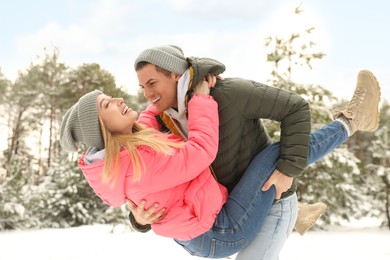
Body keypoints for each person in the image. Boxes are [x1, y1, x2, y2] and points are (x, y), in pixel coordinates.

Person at [59, 71, 381, 258]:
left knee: (263, 166)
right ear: (102, 130)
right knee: (277, 155)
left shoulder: (126, 151)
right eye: (106, 105)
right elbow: (201, 152)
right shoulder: (137, 164)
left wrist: (191, 74)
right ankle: (350, 122)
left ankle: (288, 210)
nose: (116, 100)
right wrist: (199, 97)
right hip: (219, 231)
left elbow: (149, 114)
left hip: (202, 220)